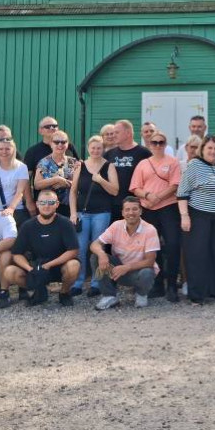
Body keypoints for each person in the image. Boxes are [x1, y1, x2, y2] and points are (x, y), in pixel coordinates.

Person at [177, 135, 215, 305]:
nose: (213, 151)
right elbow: (182, 192)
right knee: (197, 255)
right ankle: (196, 294)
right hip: (199, 215)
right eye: (209, 148)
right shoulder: (194, 165)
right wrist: (184, 216)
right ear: (202, 149)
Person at [3, 189, 80, 307]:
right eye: (43, 203)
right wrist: (29, 269)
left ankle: (64, 293)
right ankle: (39, 290)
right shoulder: (27, 226)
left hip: (59, 266)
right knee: (9, 272)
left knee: (74, 266)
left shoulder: (65, 223)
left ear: (57, 204)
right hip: (36, 267)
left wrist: (49, 265)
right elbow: (16, 254)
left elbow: (73, 250)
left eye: (50, 202)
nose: (46, 206)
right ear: (37, 204)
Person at [130, 131, 181, 301]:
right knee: (152, 248)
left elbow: (175, 185)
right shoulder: (143, 164)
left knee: (173, 245)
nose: (158, 145)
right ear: (149, 145)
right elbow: (135, 187)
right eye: (154, 142)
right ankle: (157, 285)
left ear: (165, 145)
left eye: (161, 142)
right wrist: (147, 196)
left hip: (168, 208)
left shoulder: (172, 162)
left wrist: (158, 197)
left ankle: (172, 285)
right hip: (149, 209)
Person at [69, 135, 119, 296]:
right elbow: (73, 191)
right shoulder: (80, 166)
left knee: (98, 248)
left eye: (99, 148)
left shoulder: (109, 166)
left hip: (102, 213)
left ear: (102, 149)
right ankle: (78, 281)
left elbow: (115, 190)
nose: (96, 151)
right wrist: (72, 213)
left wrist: (101, 180)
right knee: (81, 248)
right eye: (93, 148)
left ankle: (97, 283)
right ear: (88, 149)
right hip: (82, 214)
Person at [91, 197, 161, 309]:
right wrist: (102, 254)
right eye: (127, 210)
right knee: (95, 257)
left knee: (147, 272)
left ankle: (141, 294)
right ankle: (109, 296)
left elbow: (150, 261)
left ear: (141, 211)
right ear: (122, 212)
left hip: (137, 272)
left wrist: (126, 267)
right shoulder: (116, 226)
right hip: (117, 271)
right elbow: (94, 244)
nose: (131, 213)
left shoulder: (150, 230)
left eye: (135, 209)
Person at [104, 119, 152, 222]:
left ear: (128, 133)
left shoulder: (144, 153)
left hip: (135, 207)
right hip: (113, 206)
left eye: (117, 132)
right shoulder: (109, 154)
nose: (113, 135)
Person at [25, 116, 80, 197]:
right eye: (47, 126)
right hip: (46, 203)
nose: (51, 128)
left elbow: (79, 176)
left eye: (54, 126)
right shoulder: (33, 152)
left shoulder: (70, 150)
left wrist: (66, 183)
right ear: (40, 131)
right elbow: (27, 179)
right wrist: (29, 201)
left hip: (70, 203)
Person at [34, 130, 79, 217]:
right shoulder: (44, 162)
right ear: (51, 144)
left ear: (67, 144)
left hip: (70, 206)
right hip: (48, 206)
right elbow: (37, 184)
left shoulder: (73, 162)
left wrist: (65, 183)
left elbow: (80, 183)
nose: (60, 145)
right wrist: (56, 180)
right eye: (56, 142)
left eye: (63, 142)